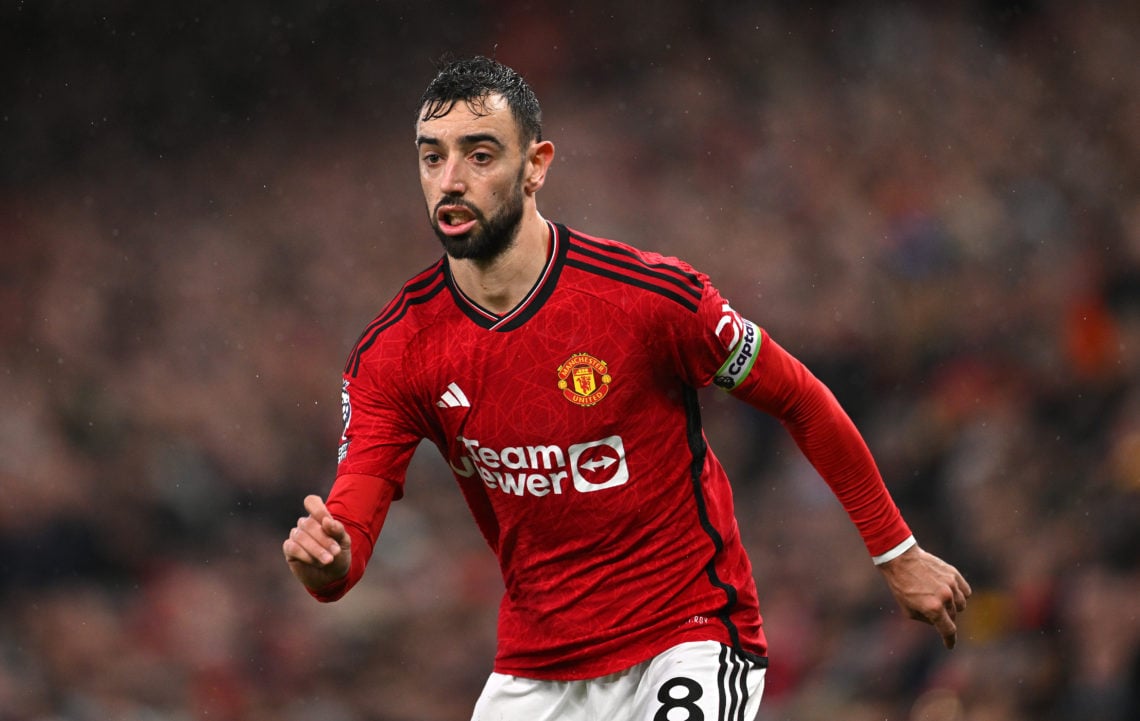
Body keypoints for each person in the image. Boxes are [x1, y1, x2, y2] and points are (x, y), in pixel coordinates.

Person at [282, 55, 971, 721]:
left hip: (688, 635)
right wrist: (327, 561)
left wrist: (896, 551)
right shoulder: (395, 350)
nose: (451, 178)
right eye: (433, 157)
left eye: (480, 154)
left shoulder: (647, 298)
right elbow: (347, 539)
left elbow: (800, 397)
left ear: (535, 167)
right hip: (538, 667)